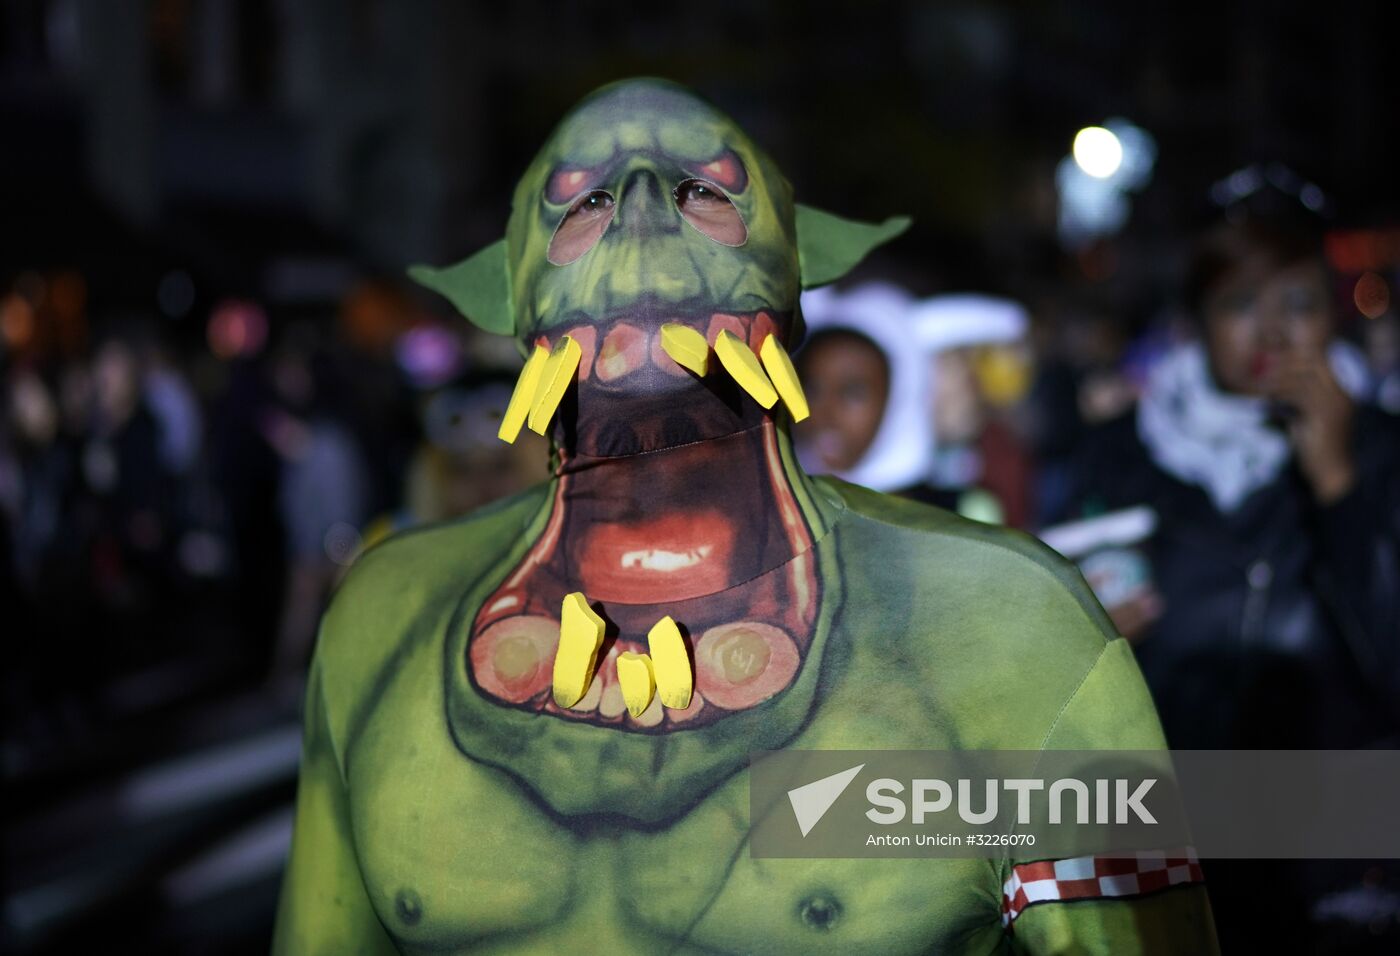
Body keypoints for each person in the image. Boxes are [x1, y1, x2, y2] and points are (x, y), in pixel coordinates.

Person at [274, 78, 1217, 954]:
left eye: (703, 195)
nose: (640, 218)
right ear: (515, 295)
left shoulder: (1012, 622)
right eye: (584, 202)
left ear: (795, 281)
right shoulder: (385, 611)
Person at [1061, 210, 1400, 950]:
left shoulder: (1379, 448)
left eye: (1300, 304)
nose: (1273, 333)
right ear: (1196, 322)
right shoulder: (1116, 455)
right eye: (1241, 304)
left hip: (1333, 857)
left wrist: (1338, 482)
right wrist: (1080, 634)